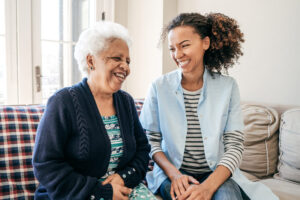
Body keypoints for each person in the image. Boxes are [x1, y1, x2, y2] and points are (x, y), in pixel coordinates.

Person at [140, 13, 278, 200]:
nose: (177, 54)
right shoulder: (159, 87)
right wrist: (174, 174)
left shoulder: (227, 87)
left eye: (185, 45)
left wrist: (208, 187)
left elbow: (235, 146)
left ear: (205, 43)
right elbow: (149, 139)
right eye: (172, 48)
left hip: (216, 174)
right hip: (173, 174)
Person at [32, 21, 156, 200]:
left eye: (127, 61)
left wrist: (123, 177)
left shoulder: (126, 102)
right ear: (91, 60)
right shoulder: (63, 102)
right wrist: (102, 192)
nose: (126, 67)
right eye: (117, 58)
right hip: (74, 195)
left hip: (123, 189)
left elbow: (142, 150)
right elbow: (46, 164)